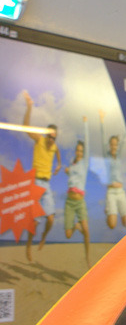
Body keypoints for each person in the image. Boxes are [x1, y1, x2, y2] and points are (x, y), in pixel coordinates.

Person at [22, 90, 61, 261]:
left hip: (47, 185)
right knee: (35, 221)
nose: (52, 140)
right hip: (36, 183)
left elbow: (58, 154)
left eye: (54, 137)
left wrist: (59, 165)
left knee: (51, 219)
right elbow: (25, 127)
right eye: (50, 136)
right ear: (46, 135)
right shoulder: (39, 140)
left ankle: (44, 237)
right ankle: (29, 246)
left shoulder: (54, 146)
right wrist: (29, 107)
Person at [64, 116, 91, 268]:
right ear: (75, 151)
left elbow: (87, 142)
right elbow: (73, 179)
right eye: (78, 150)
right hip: (69, 201)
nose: (79, 152)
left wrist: (85, 123)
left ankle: (87, 258)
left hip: (80, 201)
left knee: (86, 230)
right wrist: (68, 171)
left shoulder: (84, 163)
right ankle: (75, 226)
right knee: (68, 235)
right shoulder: (72, 163)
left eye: (81, 151)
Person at [99, 109, 126, 230]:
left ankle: (110, 210)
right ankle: (108, 211)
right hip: (111, 192)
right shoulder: (106, 156)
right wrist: (102, 120)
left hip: (121, 191)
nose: (114, 146)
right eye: (112, 144)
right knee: (112, 225)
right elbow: (102, 138)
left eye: (115, 144)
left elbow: (124, 138)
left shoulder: (118, 155)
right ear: (109, 145)